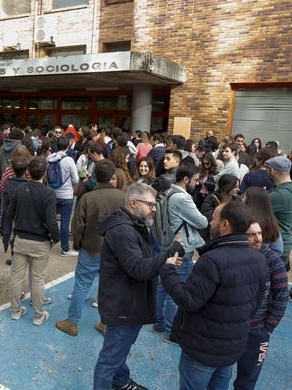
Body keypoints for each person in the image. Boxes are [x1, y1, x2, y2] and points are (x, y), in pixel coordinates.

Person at [160, 201, 267, 390]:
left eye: (214, 218)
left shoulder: (212, 260)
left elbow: (188, 300)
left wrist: (168, 271)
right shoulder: (258, 259)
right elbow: (256, 303)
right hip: (232, 346)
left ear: (225, 224)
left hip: (203, 348)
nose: (210, 222)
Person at [94, 183, 185, 390]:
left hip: (127, 300)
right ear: (134, 203)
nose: (154, 209)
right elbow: (139, 268)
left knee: (120, 349)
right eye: (150, 205)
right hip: (123, 305)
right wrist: (169, 254)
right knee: (110, 359)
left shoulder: (133, 225)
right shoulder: (124, 231)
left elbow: (141, 261)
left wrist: (164, 261)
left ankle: (121, 381)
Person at [55, 160, 125, 336]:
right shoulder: (123, 198)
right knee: (110, 286)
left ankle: (72, 323)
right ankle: (105, 323)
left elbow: (77, 225)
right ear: (112, 177)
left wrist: (78, 244)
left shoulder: (88, 198)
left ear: (95, 176)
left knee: (81, 285)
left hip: (91, 247)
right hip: (115, 250)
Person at [3, 157, 60, 326]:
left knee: (16, 276)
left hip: (21, 239)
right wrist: (55, 238)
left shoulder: (20, 189)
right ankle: (38, 315)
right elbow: (51, 221)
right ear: (44, 173)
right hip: (40, 242)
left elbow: (9, 213)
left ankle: (15, 311)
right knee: (37, 279)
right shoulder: (49, 193)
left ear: (28, 171)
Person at [155, 163, 208, 341]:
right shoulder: (183, 198)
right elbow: (202, 223)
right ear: (185, 179)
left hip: (167, 244)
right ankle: (172, 332)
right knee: (176, 291)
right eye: (195, 180)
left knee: (163, 286)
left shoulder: (168, 192)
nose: (198, 183)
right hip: (182, 249)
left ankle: (158, 322)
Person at [233, 221, 288, 389]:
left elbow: (282, 295)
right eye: (251, 234)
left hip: (257, 331)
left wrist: (269, 328)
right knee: (219, 374)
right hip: (230, 328)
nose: (257, 238)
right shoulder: (233, 255)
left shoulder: (272, 259)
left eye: (259, 233)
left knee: (247, 379)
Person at [47, 136, 79, 257]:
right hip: (66, 196)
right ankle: (65, 249)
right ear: (68, 146)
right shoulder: (69, 160)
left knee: (50, 219)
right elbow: (76, 180)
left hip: (52, 194)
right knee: (65, 223)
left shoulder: (49, 159)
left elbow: (46, 177)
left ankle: (46, 242)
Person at [266, 155, 292, 271]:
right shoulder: (286, 191)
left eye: (267, 169)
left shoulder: (279, 195)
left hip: (276, 246)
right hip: (285, 243)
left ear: (272, 171)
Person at [243, 186, 283, 255]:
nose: (241, 199)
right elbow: (278, 249)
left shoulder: (242, 221)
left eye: (243, 197)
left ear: (249, 201)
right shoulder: (271, 222)